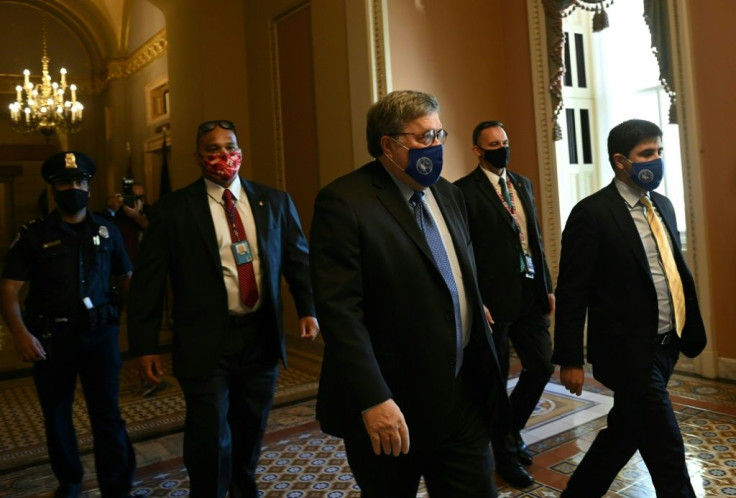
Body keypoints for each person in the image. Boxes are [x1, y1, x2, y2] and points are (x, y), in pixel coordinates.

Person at [310, 90, 510, 497]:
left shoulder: (449, 195)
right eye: (423, 138)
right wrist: (374, 399)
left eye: (440, 135)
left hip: (461, 396)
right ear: (388, 144)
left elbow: (453, 269)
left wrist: (470, 304)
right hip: (393, 406)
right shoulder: (344, 202)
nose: (435, 147)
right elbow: (341, 313)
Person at [126, 119, 319, 498]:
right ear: (198, 158)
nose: (222, 156)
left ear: (240, 151)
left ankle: (242, 488)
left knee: (250, 428)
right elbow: (148, 283)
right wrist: (144, 344)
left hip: (260, 335)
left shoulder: (274, 201)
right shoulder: (173, 210)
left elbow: (298, 260)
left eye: (229, 146)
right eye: (212, 149)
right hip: (204, 341)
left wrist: (307, 308)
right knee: (210, 435)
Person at [552, 119, 707, 497]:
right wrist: (570, 358)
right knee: (666, 449)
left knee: (623, 433)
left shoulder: (663, 206)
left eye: (659, 152)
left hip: (666, 347)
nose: (656, 159)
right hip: (627, 353)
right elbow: (572, 291)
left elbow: (672, 272)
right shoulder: (592, 214)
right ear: (621, 161)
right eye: (646, 154)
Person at [0, 151, 136, 498]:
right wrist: (20, 334)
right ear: (53, 188)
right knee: (57, 416)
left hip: (100, 336)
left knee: (107, 415)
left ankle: (117, 487)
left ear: (89, 187)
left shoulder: (108, 231)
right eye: (65, 182)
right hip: (51, 338)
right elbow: (9, 289)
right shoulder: (32, 235)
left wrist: (140, 329)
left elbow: (127, 278)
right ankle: (70, 482)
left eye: (80, 181)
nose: (73, 188)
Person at [455, 120, 554, 487]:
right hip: (493, 303)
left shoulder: (522, 184)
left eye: (506, 142)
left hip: (531, 294)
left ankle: (508, 434)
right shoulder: (462, 192)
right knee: (496, 381)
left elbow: (534, 239)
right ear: (478, 150)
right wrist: (476, 300)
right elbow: (463, 253)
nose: (502, 148)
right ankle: (507, 456)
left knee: (542, 367)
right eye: (494, 144)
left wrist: (547, 285)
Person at [98, 182, 150, 263]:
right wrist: (111, 208)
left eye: (141, 197)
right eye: (135, 197)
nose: (139, 200)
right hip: (125, 262)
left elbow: (154, 230)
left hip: (145, 262)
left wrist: (137, 217)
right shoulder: (120, 212)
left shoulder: (149, 210)